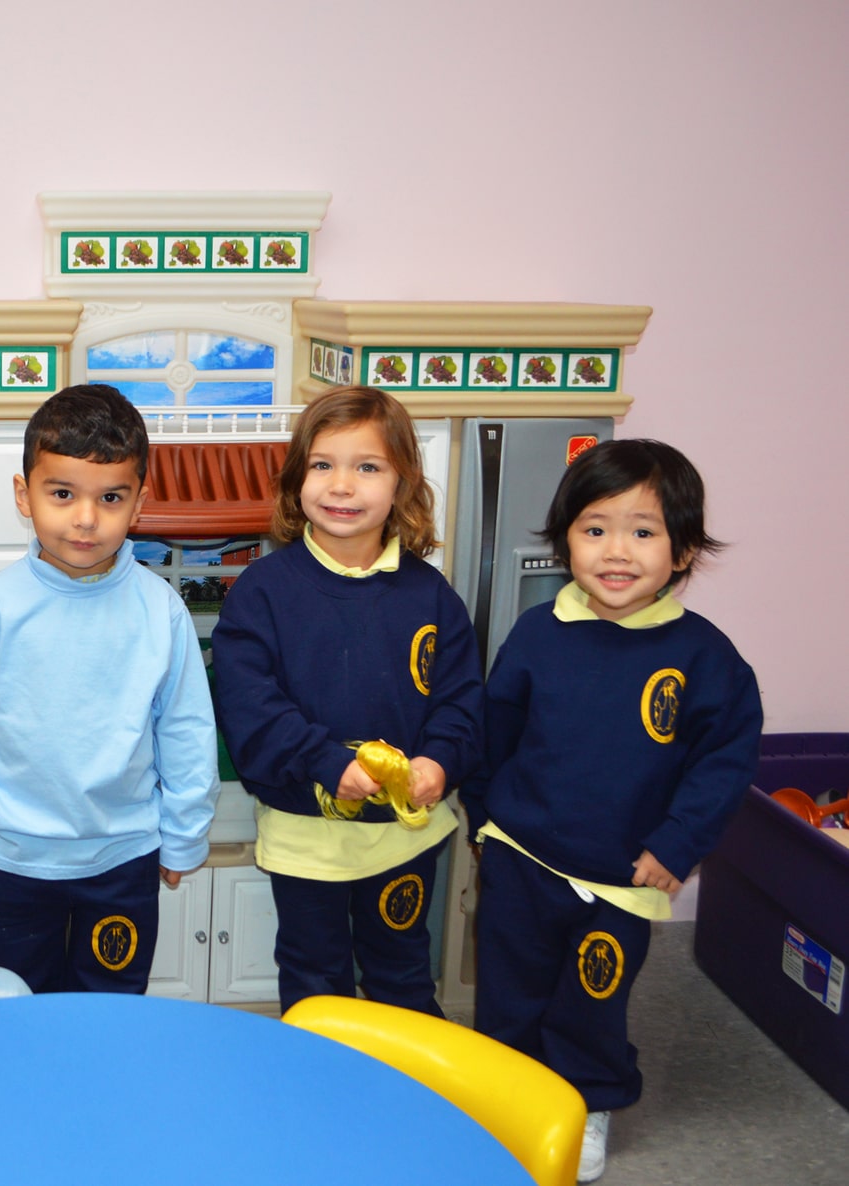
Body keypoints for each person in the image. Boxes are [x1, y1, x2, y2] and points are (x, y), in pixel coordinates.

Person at [460, 438, 760, 1184]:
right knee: (509, 991)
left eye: (643, 531)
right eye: (595, 529)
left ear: (684, 550)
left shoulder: (705, 659)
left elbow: (721, 764)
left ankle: (584, 1104)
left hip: (625, 876)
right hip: (522, 859)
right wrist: (485, 817)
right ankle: (506, 1097)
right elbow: (494, 729)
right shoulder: (537, 633)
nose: (616, 551)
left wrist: (677, 845)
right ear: (566, 540)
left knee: (590, 1001)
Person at [0, 383, 219, 994]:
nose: (85, 518)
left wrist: (184, 833)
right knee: (23, 1009)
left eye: (110, 497)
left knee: (111, 1013)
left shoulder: (160, 610)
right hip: (16, 858)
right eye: (62, 494)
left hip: (124, 858)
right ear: (24, 494)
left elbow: (187, 729)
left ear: (139, 502)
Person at [211, 385, 482, 1019]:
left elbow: (462, 701)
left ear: (402, 484)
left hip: (405, 842)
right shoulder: (262, 592)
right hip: (307, 841)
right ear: (296, 480)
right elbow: (251, 709)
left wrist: (441, 762)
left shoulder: (432, 596)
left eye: (368, 467)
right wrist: (331, 763)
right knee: (314, 983)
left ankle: (409, 1105)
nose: (342, 485)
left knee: (403, 978)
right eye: (323, 465)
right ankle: (320, 1106)